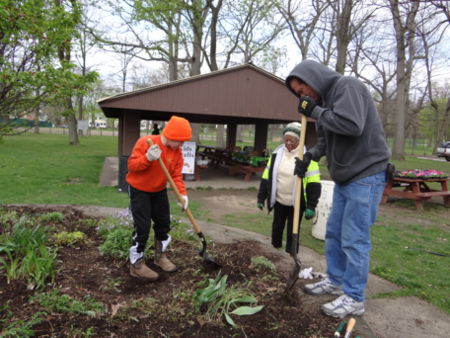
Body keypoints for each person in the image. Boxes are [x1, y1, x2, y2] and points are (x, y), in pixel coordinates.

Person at [285, 60, 390, 318]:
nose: (303, 96)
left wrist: (317, 112)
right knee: (334, 233)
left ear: (314, 77)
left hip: (366, 174)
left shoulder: (348, 87)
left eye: (303, 88)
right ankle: (335, 280)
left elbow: (351, 125)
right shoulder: (322, 104)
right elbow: (325, 141)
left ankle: (354, 297)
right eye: (298, 94)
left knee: (354, 239)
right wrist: (310, 155)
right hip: (346, 177)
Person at [126, 115, 191, 281]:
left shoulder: (177, 152)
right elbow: (132, 166)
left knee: (163, 224)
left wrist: (182, 194)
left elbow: (176, 175)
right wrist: (147, 158)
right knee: (143, 226)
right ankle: (136, 264)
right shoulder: (146, 142)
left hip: (158, 190)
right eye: (180, 140)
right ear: (171, 136)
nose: (182, 144)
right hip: (139, 190)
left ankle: (159, 256)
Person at [257, 122, 321, 254]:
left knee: (294, 228)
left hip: (297, 202)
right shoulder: (276, 154)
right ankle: (275, 248)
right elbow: (266, 176)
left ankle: (291, 252)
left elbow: (313, 184)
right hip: (280, 199)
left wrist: (311, 206)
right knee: (277, 225)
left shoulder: (308, 157)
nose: (288, 143)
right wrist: (261, 197)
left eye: (292, 140)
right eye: (286, 139)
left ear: (299, 140)